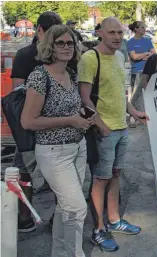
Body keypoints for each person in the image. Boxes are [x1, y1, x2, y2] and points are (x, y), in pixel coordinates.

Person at [21, 24, 94, 257]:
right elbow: (28, 121)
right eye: (60, 43)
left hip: (77, 147)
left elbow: (73, 111)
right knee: (76, 207)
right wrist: (70, 120)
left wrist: (84, 118)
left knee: (66, 207)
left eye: (70, 43)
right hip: (53, 152)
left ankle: (61, 254)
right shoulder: (40, 76)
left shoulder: (71, 74)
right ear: (50, 46)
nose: (66, 47)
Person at [78, 17, 149, 252]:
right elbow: (85, 97)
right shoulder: (90, 58)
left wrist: (134, 112)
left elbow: (120, 94)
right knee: (100, 179)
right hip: (104, 131)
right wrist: (100, 125)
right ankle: (98, 230)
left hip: (121, 128)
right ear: (100, 33)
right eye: (112, 32)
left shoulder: (120, 56)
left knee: (115, 175)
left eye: (120, 32)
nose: (117, 37)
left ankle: (115, 220)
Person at [10, 11, 63, 233]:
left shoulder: (62, 53)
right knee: (24, 170)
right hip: (32, 127)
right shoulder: (25, 54)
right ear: (40, 30)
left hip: (54, 126)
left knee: (59, 174)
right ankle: (25, 216)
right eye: (52, 33)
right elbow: (17, 95)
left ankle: (55, 218)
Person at [127, 21, 156, 126]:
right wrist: (146, 54)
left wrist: (143, 56)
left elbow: (154, 54)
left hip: (148, 71)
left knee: (148, 94)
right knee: (135, 95)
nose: (145, 29)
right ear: (136, 29)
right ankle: (133, 116)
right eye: (142, 27)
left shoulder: (148, 40)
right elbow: (134, 57)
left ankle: (146, 114)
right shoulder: (130, 42)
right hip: (137, 72)